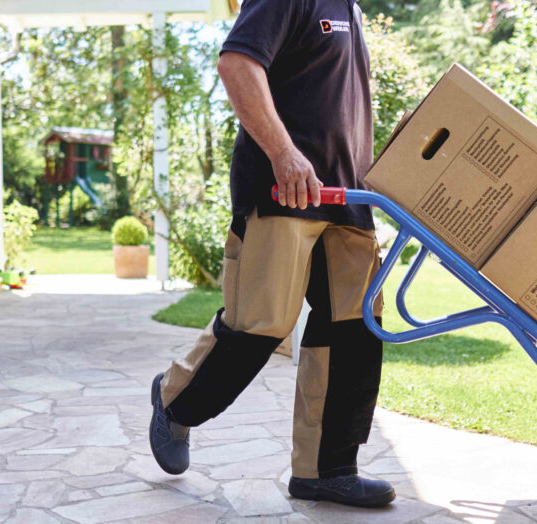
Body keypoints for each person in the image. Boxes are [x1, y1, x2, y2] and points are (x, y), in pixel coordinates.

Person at [149, 0, 394, 508]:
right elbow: (238, 63)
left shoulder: (350, 9)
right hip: (284, 191)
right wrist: (283, 153)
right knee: (258, 325)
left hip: (349, 198)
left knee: (354, 332)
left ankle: (325, 471)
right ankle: (174, 399)